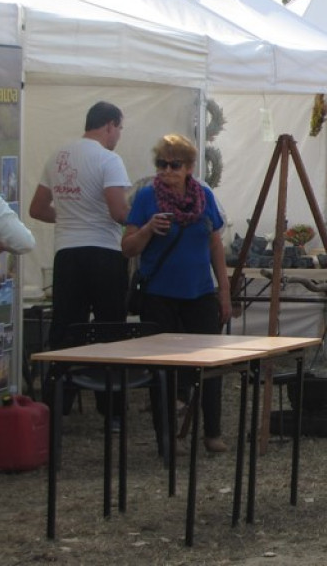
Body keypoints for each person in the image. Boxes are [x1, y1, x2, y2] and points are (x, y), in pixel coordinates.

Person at [122, 135, 231, 454]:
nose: (167, 171)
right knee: (164, 368)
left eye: (174, 165)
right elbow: (127, 248)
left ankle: (212, 432)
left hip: (199, 292)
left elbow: (214, 243)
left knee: (210, 364)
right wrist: (146, 230)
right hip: (159, 295)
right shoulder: (146, 198)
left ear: (189, 168)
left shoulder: (204, 197)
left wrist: (224, 291)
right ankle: (166, 436)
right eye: (161, 164)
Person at [29, 102, 130, 420]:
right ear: (110, 125)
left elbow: (37, 209)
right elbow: (118, 212)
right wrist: (142, 218)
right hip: (103, 252)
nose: (118, 136)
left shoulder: (58, 156)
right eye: (120, 130)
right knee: (109, 328)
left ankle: (55, 405)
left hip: (67, 253)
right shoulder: (109, 159)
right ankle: (111, 408)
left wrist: (71, 215)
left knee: (65, 329)